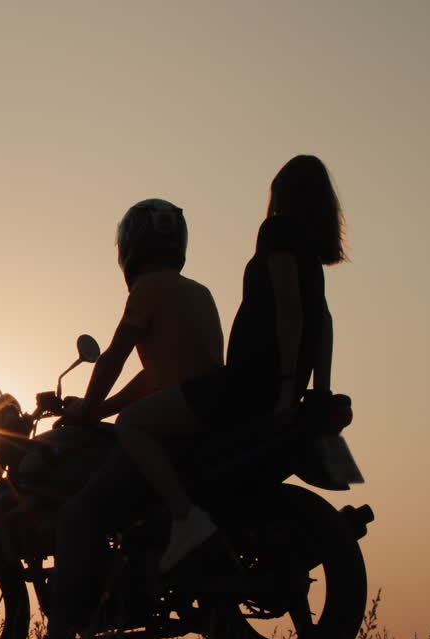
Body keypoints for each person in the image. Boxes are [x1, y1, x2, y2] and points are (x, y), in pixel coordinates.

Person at [113, 155, 347, 573]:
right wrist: (318, 390)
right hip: (275, 386)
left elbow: (291, 312)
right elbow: (323, 322)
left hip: (245, 384)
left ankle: (186, 519)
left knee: (129, 423)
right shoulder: (310, 252)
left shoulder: (276, 233)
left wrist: (283, 391)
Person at [39, 198, 224, 639]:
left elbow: (114, 357)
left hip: (169, 435)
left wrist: (88, 410)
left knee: (77, 515)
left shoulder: (145, 291)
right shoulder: (198, 292)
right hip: (200, 423)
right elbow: (156, 376)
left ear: (131, 244)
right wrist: (98, 411)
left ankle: (60, 638)